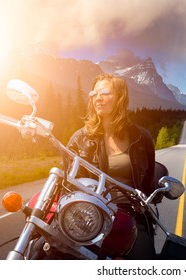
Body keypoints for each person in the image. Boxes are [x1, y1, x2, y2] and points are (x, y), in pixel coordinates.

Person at [66, 73, 157, 259]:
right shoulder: (79, 138)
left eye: (105, 92)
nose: (97, 98)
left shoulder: (142, 138)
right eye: (94, 93)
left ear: (120, 98)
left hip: (131, 213)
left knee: (143, 255)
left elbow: (147, 182)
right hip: (89, 214)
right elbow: (68, 184)